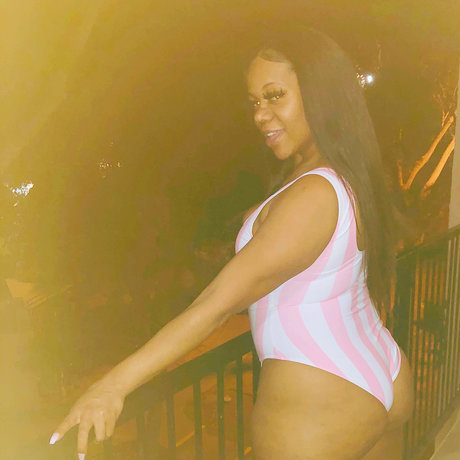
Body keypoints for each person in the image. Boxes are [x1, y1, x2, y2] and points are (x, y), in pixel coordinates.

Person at [50, 27, 414, 459]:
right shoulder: (343, 174)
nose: (261, 114)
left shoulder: (314, 194)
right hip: (379, 364)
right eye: (255, 101)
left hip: (319, 395)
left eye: (275, 95)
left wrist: (113, 385)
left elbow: (215, 306)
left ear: (320, 92)